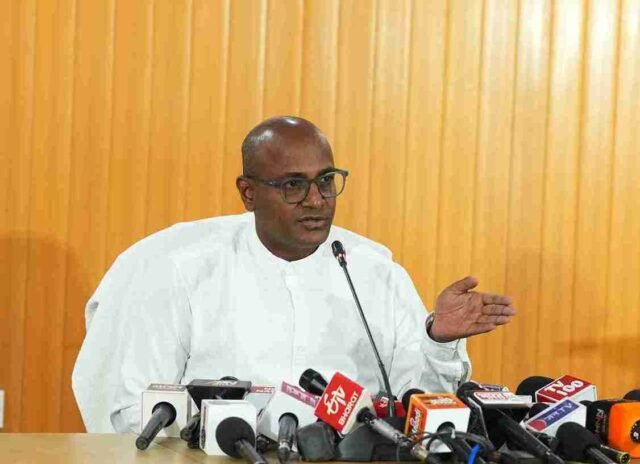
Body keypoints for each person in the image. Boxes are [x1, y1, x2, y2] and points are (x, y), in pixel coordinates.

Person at [72, 116, 515, 433]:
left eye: (326, 181)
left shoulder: (374, 271)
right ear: (248, 193)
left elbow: (416, 407)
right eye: (293, 185)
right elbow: (134, 411)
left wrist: (438, 339)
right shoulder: (183, 270)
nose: (316, 200)